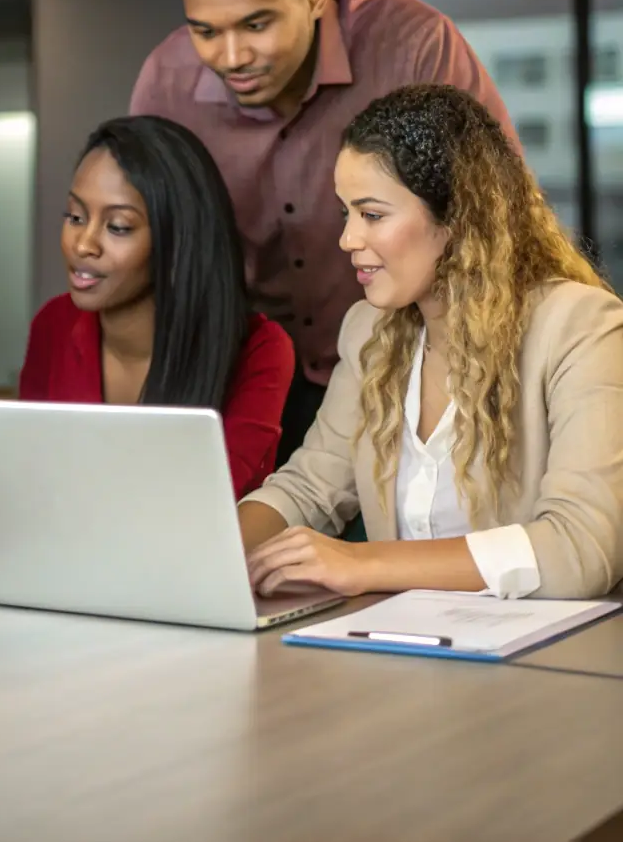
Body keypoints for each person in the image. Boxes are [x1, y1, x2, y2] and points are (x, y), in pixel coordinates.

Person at [131, 0, 517, 467]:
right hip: (250, 376)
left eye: (256, 24)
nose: (231, 56)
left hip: (411, 359)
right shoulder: (166, 83)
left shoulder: (412, 46)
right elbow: (154, 248)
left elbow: (494, 211)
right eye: (205, 31)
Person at [239, 84, 623, 600]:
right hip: (400, 637)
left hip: (545, 648)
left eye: (372, 215)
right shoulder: (369, 331)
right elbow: (309, 486)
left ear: (458, 218)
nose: (348, 239)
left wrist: (364, 562)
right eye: (346, 213)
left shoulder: (581, 327)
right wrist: (207, 553)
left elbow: (582, 549)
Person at [19, 116, 295, 497]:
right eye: (75, 217)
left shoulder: (260, 349)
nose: (83, 244)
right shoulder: (53, 323)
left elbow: (212, 500)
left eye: (117, 227)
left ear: (178, 239)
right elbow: (31, 471)